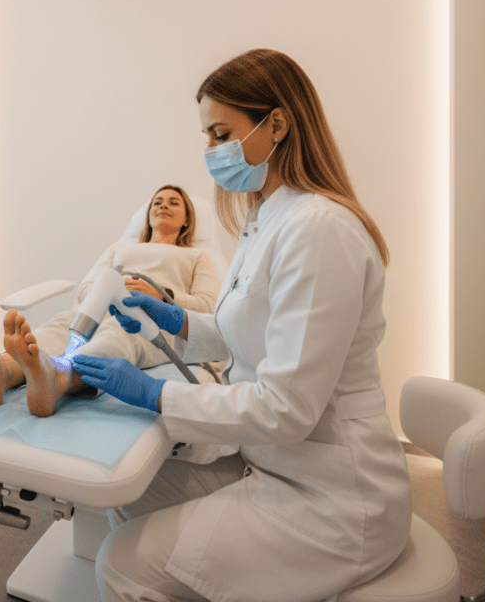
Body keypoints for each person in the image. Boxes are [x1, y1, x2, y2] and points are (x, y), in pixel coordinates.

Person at [71, 49, 411, 602]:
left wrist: (156, 395)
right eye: (207, 136)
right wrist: (181, 321)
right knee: (129, 490)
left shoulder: (319, 230)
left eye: (220, 133)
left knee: (122, 565)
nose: (210, 151)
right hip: (272, 462)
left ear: (276, 123)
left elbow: (287, 407)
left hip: (335, 498)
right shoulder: (265, 218)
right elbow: (255, 331)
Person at [0, 184, 220, 417]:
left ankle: (59, 380)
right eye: (157, 203)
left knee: (119, 332)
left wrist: (164, 295)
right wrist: (108, 290)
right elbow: (85, 290)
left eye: (174, 203)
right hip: (103, 306)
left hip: (152, 320)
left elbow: (209, 307)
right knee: (64, 323)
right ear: (148, 217)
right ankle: (3, 372)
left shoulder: (196, 257)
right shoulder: (120, 249)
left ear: (187, 220)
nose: (164, 206)